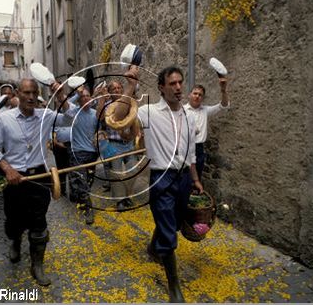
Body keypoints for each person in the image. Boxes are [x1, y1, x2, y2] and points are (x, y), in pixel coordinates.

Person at [113, 65, 202, 302]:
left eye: (180, 82)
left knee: (172, 224)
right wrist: (130, 86)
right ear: (161, 87)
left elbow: (191, 152)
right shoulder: (148, 112)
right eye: (172, 83)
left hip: (183, 179)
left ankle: (154, 248)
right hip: (161, 178)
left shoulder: (189, 116)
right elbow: (120, 121)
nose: (178, 87)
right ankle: (174, 287)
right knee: (166, 227)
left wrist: (195, 179)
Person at [0, 78, 70, 286]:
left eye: (34, 93)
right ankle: (15, 239)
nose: (31, 97)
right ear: (17, 95)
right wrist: (8, 169)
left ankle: (37, 265)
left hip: (39, 177)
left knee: (39, 223)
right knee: (13, 221)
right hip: (14, 179)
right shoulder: (5, 119)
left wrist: (60, 94)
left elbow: (71, 116)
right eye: (26, 93)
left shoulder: (46, 116)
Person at [95, 80, 140, 211]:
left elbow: (136, 120)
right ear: (109, 91)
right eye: (114, 88)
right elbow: (99, 117)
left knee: (133, 171)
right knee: (117, 173)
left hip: (129, 143)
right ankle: (120, 200)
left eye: (119, 87)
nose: (117, 90)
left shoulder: (129, 103)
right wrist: (102, 99)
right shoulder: (108, 105)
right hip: (114, 144)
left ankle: (128, 197)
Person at [184, 80, 229, 192]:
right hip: (184, 147)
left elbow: (223, 106)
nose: (197, 96)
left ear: (203, 98)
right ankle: (183, 200)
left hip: (199, 148)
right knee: (184, 176)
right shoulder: (182, 110)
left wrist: (223, 90)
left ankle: (193, 201)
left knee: (197, 175)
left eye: (200, 95)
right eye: (195, 93)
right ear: (189, 95)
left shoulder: (205, 110)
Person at [65, 87, 99, 225]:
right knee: (82, 181)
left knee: (89, 180)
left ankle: (78, 194)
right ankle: (88, 209)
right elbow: (64, 105)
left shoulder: (96, 114)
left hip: (92, 153)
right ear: (78, 100)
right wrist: (76, 95)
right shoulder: (74, 113)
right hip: (77, 152)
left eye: (87, 96)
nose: (86, 98)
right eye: (82, 96)